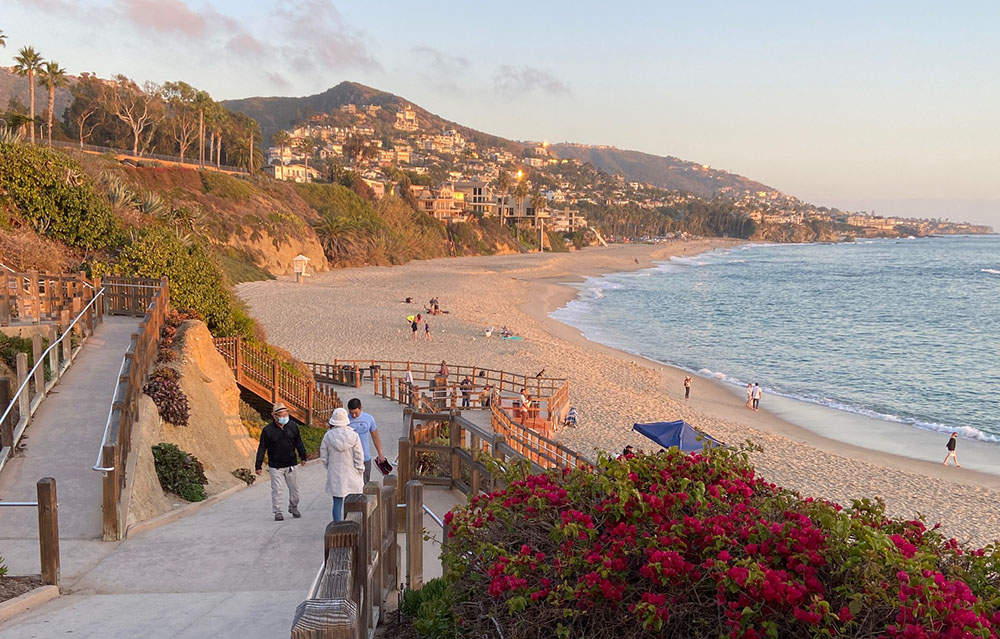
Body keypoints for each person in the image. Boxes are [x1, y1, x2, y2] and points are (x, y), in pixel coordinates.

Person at [254, 402, 307, 521]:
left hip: (291, 464)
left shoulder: (293, 426)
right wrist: (258, 465)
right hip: (276, 466)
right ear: (275, 416)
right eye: (281, 415)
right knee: (277, 489)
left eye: (286, 414)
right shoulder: (268, 430)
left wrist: (303, 456)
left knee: (295, 489)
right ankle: (277, 511)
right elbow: (262, 448)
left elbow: (298, 442)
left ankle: (293, 507)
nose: (284, 417)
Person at [320, 407, 364, 522]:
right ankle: (354, 525)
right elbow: (359, 455)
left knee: (337, 501)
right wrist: (360, 469)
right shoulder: (353, 436)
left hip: (335, 472)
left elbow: (324, 456)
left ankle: (337, 527)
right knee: (354, 501)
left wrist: (329, 467)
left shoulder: (328, 436)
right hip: (351, 471)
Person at [347, 398, 385, 483]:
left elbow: (375, 437)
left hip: (365, 457)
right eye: (351, 413)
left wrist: (380, 454)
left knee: (365, 483)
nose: (353, 416)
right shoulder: (345, 420)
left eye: (356, 413)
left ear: (361, 408)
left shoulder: (369, 418)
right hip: (350, 457)